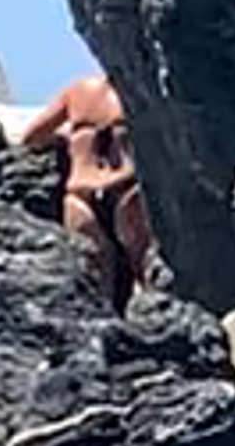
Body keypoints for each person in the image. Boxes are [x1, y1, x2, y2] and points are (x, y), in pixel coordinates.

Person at [18, 73, 152, 309]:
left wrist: (69, 140)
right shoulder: (140, 93)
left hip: (81, 195)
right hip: (125, 190)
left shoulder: (77, 91)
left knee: (93, 280)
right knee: (144, 270)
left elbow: (32, 137)